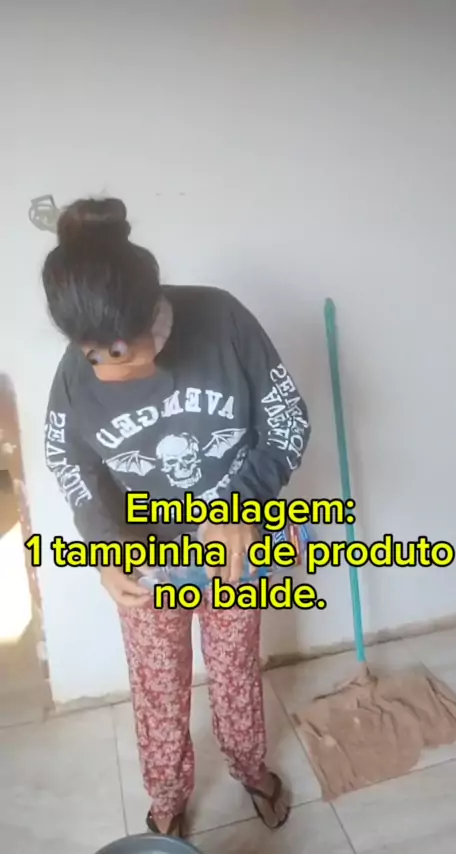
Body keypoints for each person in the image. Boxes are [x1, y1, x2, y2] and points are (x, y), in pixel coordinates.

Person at [42, 197, 311, 837]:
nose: (107, 374)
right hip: (148, 560)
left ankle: (250, 768)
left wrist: (242, 507)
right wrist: (104, 548)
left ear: (153, 317)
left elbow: (287, 421)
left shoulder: (222, 320)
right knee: (158, 684)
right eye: (92, 357)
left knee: (235, 665)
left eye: (121, 353)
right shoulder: (76, 377)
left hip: (238, 550)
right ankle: (166, 800)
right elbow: (70, 460)